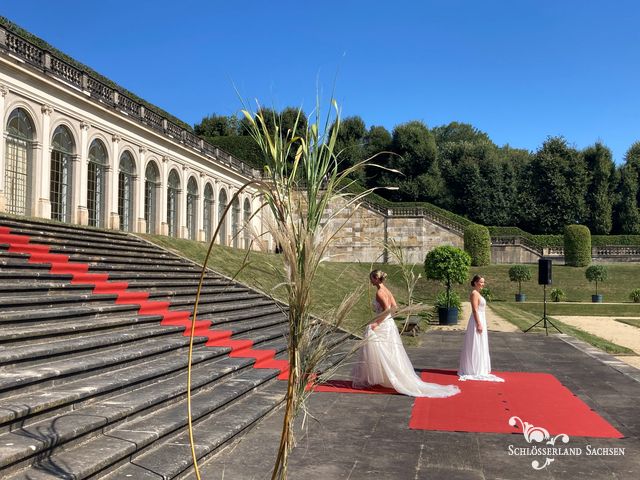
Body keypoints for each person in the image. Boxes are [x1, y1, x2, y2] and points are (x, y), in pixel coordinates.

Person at [352, 270, 460, 398]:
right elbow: (395, 307)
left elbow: (387, 310)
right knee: (389, 352)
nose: (370, 281)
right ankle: (386, 376)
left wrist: (377, 323)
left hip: (383, 324)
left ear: (376, 278)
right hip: (389, 324)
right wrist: (386, 318)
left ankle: (383, 377)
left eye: (371, 278)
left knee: (380, 349)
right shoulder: (387, 290)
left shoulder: (380, 292)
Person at [458, 275, 504, 382]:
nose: (482, 284)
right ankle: (473, 368)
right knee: (476, 343)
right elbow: (474, 310)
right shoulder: (474, 293)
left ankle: (479, 367)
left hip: (481, 319)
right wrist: (478, 323)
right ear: (475, 283)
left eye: (483, 282)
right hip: (476, 320)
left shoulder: (478, 293)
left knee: (480, 343)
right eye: (481, 282)